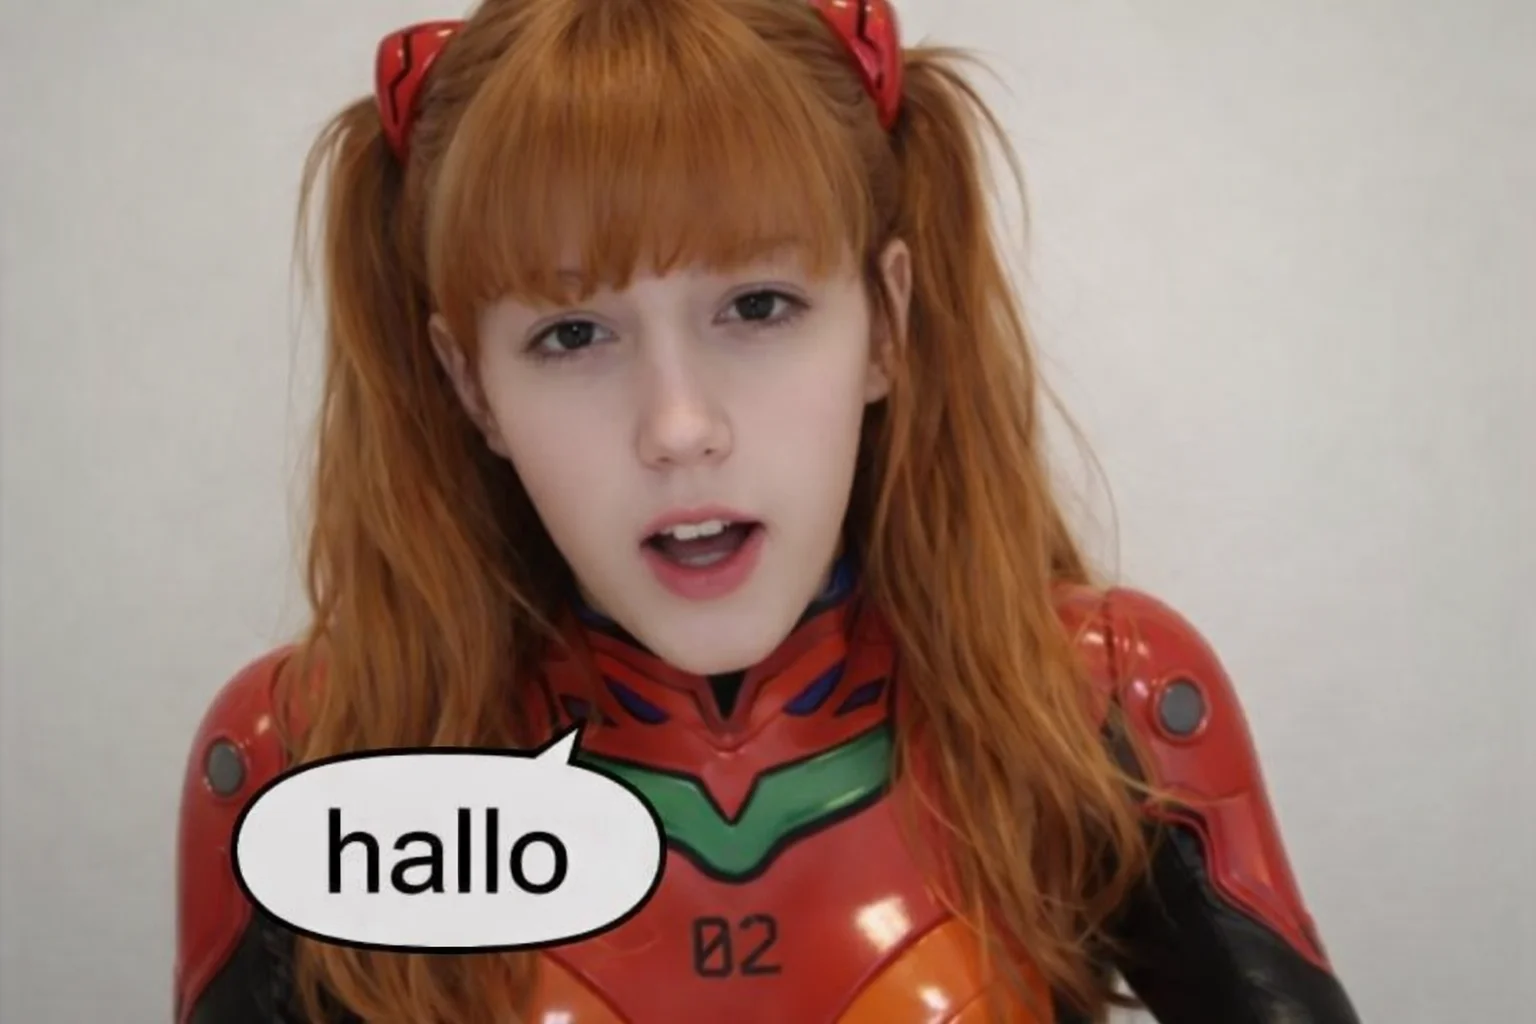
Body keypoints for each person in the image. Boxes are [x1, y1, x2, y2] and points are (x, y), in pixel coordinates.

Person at [174, 1, 1362, 1021]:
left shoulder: (1099, 705)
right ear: (471, 384)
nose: (679, 425)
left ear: (885, 322)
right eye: (573, 333)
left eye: (757, 306)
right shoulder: (311, 753)